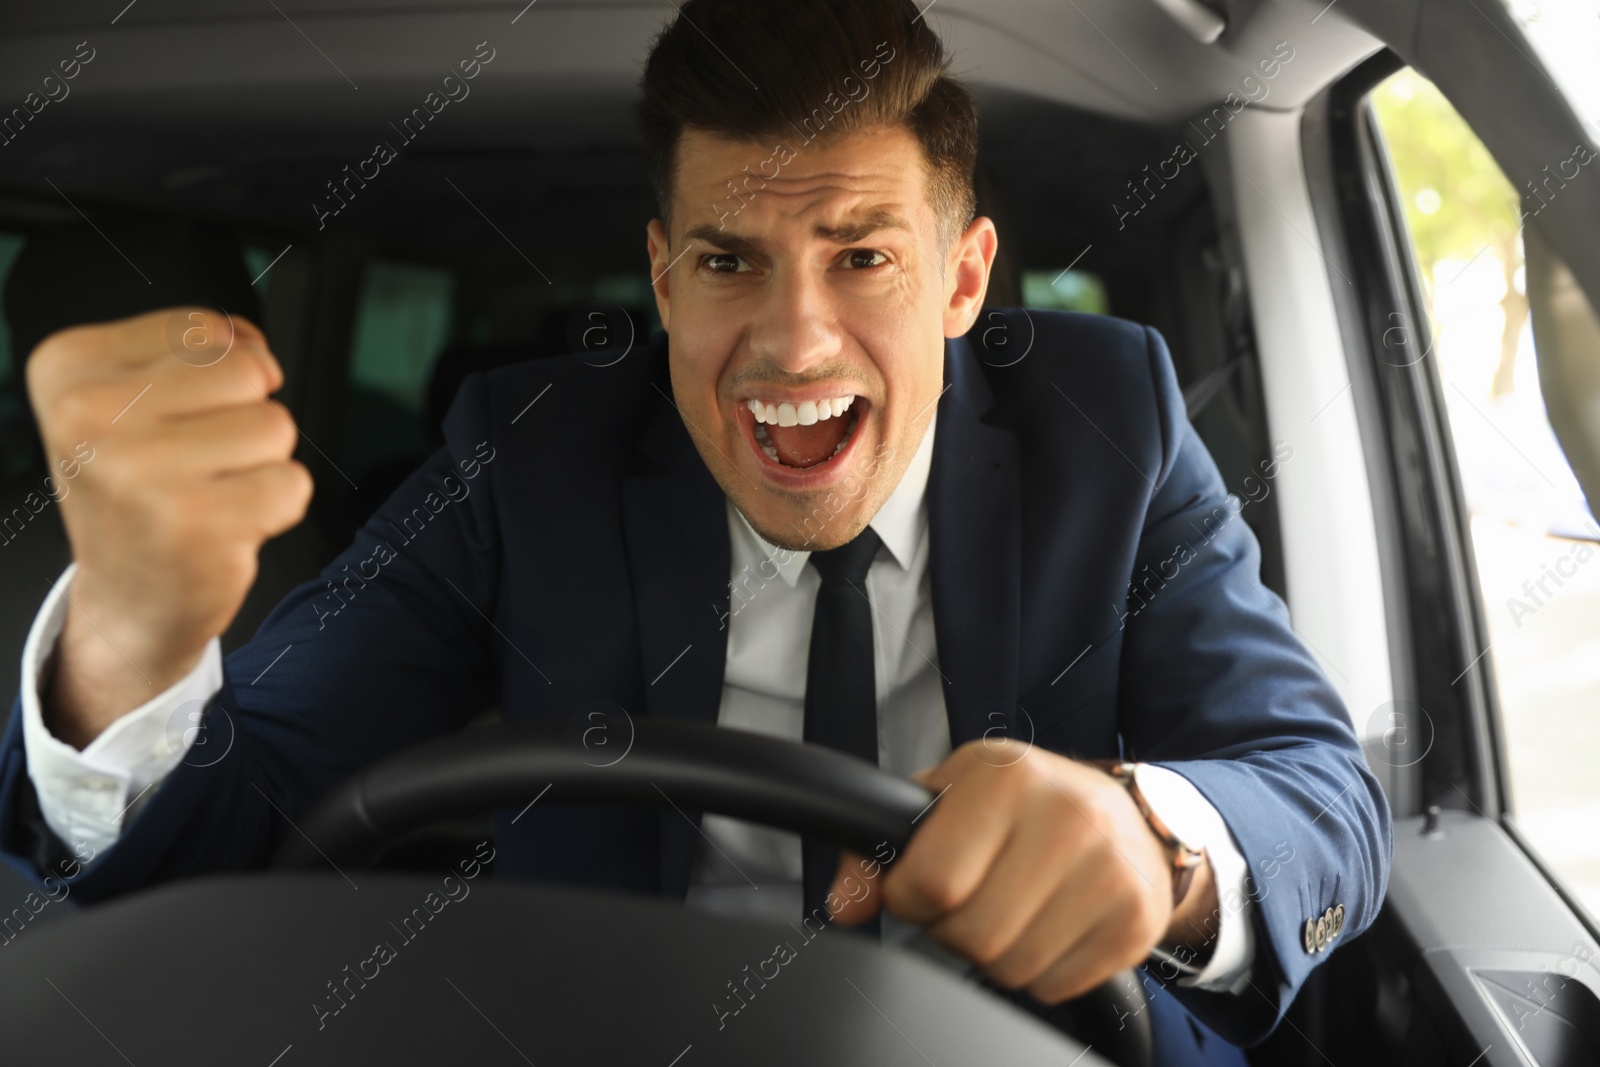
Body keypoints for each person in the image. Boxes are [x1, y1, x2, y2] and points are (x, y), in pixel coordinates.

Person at [0, 0, 1389, 1062]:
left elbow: (1321, 797)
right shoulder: (525, 457)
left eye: (863, 255)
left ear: (963, 280)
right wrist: (133, 629)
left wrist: (1155, 845)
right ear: (664, 279)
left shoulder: (1112, 420)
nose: (793, 340)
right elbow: (219, 852)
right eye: (730, 260)